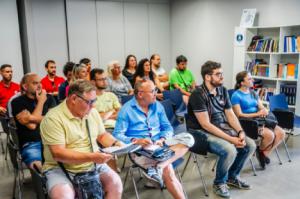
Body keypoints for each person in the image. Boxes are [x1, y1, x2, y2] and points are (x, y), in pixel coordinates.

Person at [40, 80, 123, 199]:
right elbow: (58, 154)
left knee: (115, 184)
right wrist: (92, 157)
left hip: (93, 163)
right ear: (74, 99)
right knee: (63, 195)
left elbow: (102, 135)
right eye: (89, 102)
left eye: (94, 101)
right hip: (60, 168)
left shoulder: (91, 112)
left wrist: (117, 143)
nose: (93, 106)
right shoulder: (53, 118)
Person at [113, 79, 194, 199]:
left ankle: (158, 167)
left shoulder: (157, 105)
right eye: (152, 91)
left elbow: (167, 127)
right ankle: (161, 166)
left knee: (188, 138)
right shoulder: (126, 110)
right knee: (169, 173)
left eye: (155, 90)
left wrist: (162, 139)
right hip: (141, 149)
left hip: (160, 144)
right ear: (140, 94)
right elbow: (117, 135)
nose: (156, 93)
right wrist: (136, 140)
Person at [187, 61, 256, 198]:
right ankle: (219, 183)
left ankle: (232, 177)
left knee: (250, 145)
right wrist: (231, 139)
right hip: (200, 133)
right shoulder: (197, 94)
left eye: (222, 74)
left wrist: (240, 132)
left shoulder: (223, 90)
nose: (222, 77)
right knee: (229, 149)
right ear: (207, 77)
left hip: (221, 128)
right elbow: (206, 125)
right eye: (218, 74)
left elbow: (230, 115)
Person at [231, 71, 285, 169]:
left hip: (259, 120)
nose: (253, 80)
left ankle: (263, 153)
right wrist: (258, 114)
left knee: (281, 133)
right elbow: (239, 115)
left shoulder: (253, 93)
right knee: (270, 135)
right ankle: (261, 152)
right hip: (247, 123)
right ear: (242, 82)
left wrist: (264, 110)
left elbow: (260, 106)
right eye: (249, 79)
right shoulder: (236, 96)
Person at [11, 73, 56, 171]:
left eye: (40, 82)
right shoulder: (17, 102)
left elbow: (53, 120)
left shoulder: (49, 98)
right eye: (35, 83)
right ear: (25, 86)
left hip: (51, 141)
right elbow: (32, 126)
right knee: (40, 168)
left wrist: (30, 117)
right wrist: (41, 102)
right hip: (32, 144)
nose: (39, 85)